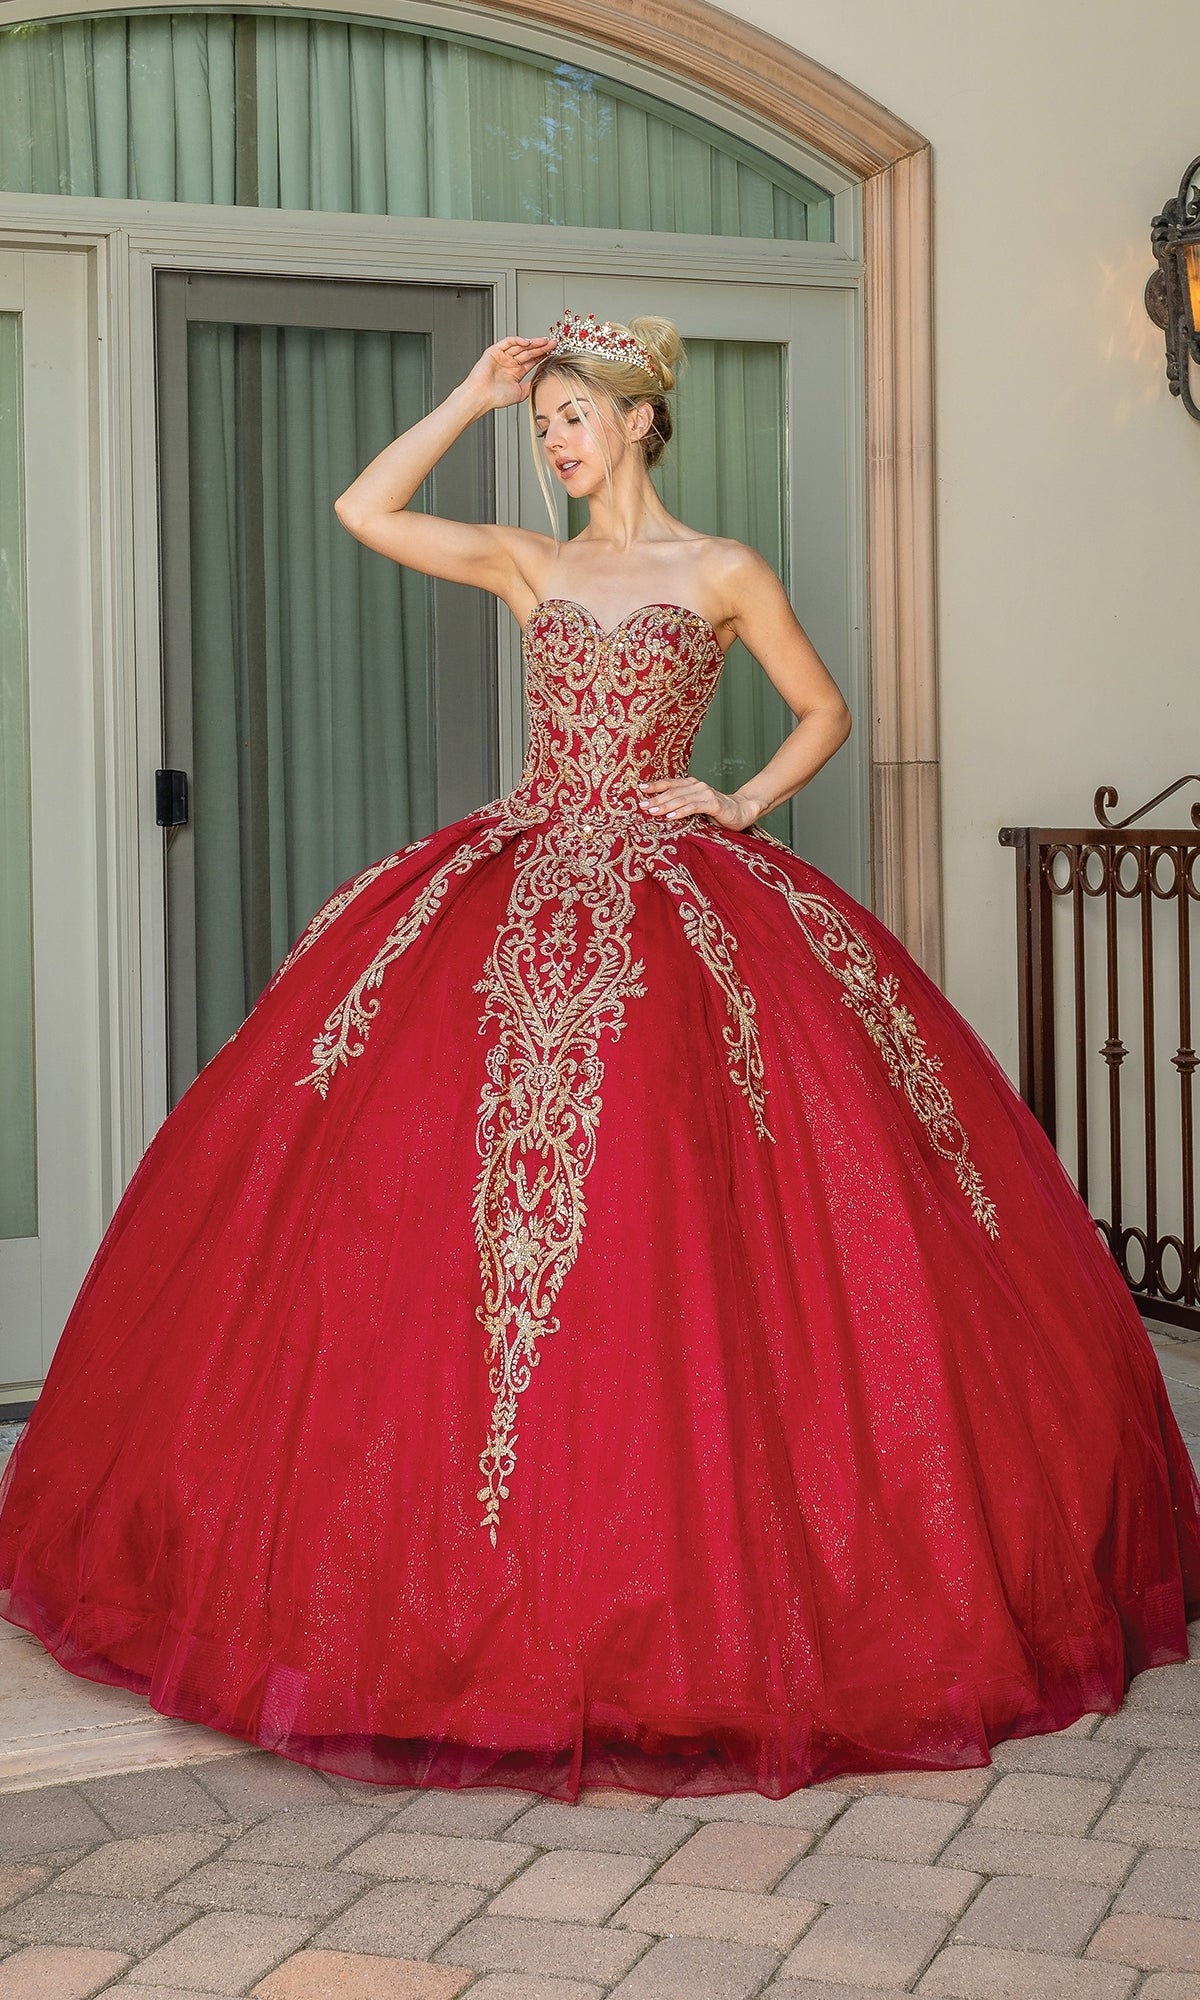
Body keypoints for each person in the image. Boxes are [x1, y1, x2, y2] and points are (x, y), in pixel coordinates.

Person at [1, 311, 1198, 1802]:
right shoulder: (529, 560)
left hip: (676, 891)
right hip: (514, 883)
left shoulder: (721, 572)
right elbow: (361, 510)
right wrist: (468, 393)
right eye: (545, 421)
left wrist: (742, 800)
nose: (556, 441)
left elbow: (826, 709)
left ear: (640, 420)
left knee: (689, 1212)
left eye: (575, 416)